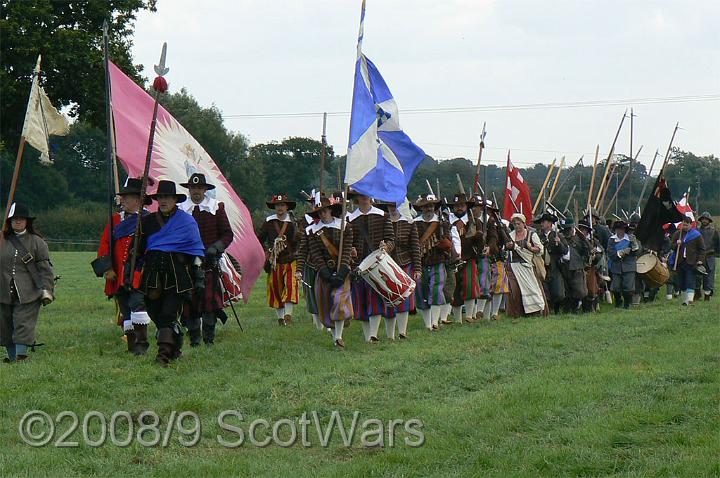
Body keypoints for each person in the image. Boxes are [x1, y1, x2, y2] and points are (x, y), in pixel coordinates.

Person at [132, 181, 205, 365]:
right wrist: (130, 271)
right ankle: (176, 347)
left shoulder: (186, 221)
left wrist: (199, 277)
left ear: (174, 200)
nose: (163, 201)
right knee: (156, 314)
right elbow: (138, 250)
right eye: (160, 197)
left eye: (167, 197)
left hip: (177, 275)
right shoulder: (147, 221)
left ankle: (163, 356)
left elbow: (196, 251)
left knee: (168, 315)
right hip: (152, 274)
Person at [94, 177, 151, 353]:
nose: (123, 200)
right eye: (122, 197)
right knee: (125, 309)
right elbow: (104, 245)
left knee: (137, 306)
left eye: (127, 197)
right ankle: (131, 345)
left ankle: (141, 346)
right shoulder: (115, 220)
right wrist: (107, 268)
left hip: (138, 273)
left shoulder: (148, 220)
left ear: (138, 200)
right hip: (117, 274)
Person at [179, 173, 234, 345]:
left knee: (209, 303)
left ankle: (209, 340)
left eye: (199, 188)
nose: (196, 191)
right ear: (189, 189)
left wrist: (215, 248)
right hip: (187, 263)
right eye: (193, 188)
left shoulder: (216, 207)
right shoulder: (180, 209)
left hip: (210, 263)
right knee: (191, 303)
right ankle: (194, 340)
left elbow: (227, 234)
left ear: (205, 190)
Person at [295, 196, 353, 348]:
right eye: (319, 212)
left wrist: (341, 272)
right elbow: (311, 252)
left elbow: (346, 250)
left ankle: (339, 336)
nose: (323, 214)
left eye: (325, 211)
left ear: (331, 210)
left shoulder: (345, 226)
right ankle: (335, 338)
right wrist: (304, 270)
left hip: (342, 270)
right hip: (323, 272)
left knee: (339, 301)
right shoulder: (311, 231)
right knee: (326, 305)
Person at [1, 203, 55, 363]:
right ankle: (11, 357)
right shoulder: (1, 240)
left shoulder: (37, 242)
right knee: (4, 325)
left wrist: (47, 289)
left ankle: (20, 357)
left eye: (21, 219)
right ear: (9, 221)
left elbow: (45, 269)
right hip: (3, 290)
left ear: (27, 222)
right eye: (15, 219)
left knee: (23, 323)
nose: (18, 221)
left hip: (28, 291)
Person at [347, 190, 395, 342]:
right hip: (358, 265)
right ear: (356, 198)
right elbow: (347, 243)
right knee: (360, 300)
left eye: (366, 193)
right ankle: (368, 336)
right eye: (361, 194)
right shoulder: (349, 219)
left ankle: (373, 335)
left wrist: (386, 246)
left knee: (375, 299)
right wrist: (351, 250)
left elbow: (391, 240)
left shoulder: (383, 216)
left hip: (378, 264)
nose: (364, 197)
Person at [375, 200, 421, 340]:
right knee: (388, 297)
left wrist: (417, 268)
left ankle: (402, 332)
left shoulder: (409, 222)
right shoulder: (382, 221)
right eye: (390, 205)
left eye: (394, 205)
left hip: (404, 263)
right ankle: (390, 335)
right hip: (386, 265)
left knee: (404, 298)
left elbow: (415, 247)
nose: (392, 208)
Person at [257, 194, 301, 326]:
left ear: (287, 207)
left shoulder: (294, 222)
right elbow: (260, 238)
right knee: (276, 288)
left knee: (290, 284)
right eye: (277, 205)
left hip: (290, 259)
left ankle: (288, 315)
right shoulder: (269, 222)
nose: (280, 208)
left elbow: (299, 241)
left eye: (282, 205)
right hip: (275, 261)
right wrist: (268, 251)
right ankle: (281, 319)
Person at [447, 193, 489, 324]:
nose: (459, 208)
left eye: (461, 205)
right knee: (455, 288)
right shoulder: (448, 222)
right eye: (457, 206)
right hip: (452, 260)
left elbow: (481, 245)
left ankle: (469, 316)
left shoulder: (475, 222)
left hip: (469, 257)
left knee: (469, 286)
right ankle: (458, 319)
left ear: (466, 207)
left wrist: (479, 236)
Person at [412, 194, 452, 331]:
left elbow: (448, 241)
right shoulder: (415, 223)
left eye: (430, 206)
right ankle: (428, 324)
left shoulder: (442, 222)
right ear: (421, 208)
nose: (428, 208)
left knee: (436, 291)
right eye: (425, 206)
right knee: (421, 292)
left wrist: (443, 241)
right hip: (420, 262)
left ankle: (435, 322)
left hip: (438, 260)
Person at [505, 213, 547, 317]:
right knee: (515, 290)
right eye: (514, 224)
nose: (516, 226)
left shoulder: (531, 234)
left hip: (527, 266)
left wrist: (530, 248)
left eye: (518, 223)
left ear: (524, 224)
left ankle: (536, 311)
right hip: (513, 266)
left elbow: (540, 249)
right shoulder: (510, 236)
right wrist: (508, 246)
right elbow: (505, 250)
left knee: (533, 289)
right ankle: (517, 313)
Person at [534, 212, 567, 314]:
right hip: (542, 266)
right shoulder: (538, 236)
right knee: (545, 291)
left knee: (558, 293)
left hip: (555, 266)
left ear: (550, 223)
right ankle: (549, 310)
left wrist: (559, 243)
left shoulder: (558, 235)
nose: (542, 224)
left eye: (544, 221)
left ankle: (557, 309)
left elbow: (565, 250)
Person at [669, 216, 706, 306]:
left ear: (690, 224)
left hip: (691, 262)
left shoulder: (696, 235)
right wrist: (676, 244)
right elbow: (672, 247)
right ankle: (685, 300)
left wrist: (700, 260)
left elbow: (702, 249)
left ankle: (689, 300)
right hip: (680, 262)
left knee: (690, 280)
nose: (685, 226)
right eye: (683, 225)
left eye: (686, 225)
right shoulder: (678, 234)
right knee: (681, 282)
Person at [606, 220, 641, 309]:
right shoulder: (612, 240)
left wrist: (634, 245)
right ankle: (618, 302)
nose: (620, 231)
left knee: (628, 287)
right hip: (616, 266)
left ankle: (627, 304)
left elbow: (637, 252)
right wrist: (621, 253)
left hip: (629, 266)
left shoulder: (631, 238)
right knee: (615, 287)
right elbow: (610, 253)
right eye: (618, 229)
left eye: (622, 229)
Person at [559, 216, 590, 313]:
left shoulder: (579, 238)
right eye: (566, 229)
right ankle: (569, 310)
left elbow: (586, 251)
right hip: (564, 267)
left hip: (576, 267)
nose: (568, 231)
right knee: (567, 291)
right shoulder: (561, 237)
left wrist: (584, 240)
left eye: (569, 229)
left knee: (580, 291)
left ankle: (583, 308)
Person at [697, 212, 719, 301]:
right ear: (701, 220)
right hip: (699, 257)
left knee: (709, 277)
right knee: (697, 276)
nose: (704, 220)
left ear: (709, 220)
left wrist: (716, 253)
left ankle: (707, 295)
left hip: (710, 256)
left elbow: (718, 245)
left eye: (706, 219)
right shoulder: (697, 231)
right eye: (703, 219)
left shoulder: (714, 232)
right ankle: (697, 294)